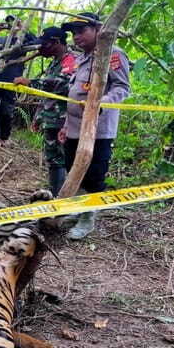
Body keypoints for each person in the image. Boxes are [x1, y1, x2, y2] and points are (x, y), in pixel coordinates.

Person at [59, 12, 130, 240]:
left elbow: (122, 88)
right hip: (73, 127)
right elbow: (74, 93)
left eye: (82, 31)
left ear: (98, 29)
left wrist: (102, 103)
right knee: (73, 169)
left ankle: (88, 219)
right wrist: (65, 124)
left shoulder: (112, 54)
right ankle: (79, 210)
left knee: (93, 174)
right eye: (73, 33)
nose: (76, 36)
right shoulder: (81, 58)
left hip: (97, 130)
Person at [13, 27, 77, 195]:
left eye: (45, 45)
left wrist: (31, 82)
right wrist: (37, 117)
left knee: (65, 159)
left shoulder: (71, 60)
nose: (41, 49)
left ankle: (64, 198)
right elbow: (46, 96)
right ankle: (56, 195)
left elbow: (64, 84)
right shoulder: (55, 62)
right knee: (54, 160)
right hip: (50, 119)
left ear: (56, 43)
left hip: (64, 120)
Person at [0, 15, 37, 147]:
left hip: (13, 81)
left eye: (14, 23)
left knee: (7, 110)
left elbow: (36, 43)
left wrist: (24, 28)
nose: (11, 25)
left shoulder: (22, 41)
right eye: (9, 23)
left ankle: (5, 137)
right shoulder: (0, 40)